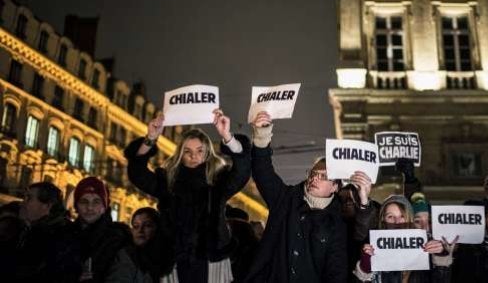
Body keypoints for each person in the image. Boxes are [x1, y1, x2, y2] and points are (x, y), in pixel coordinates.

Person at [125, 109, 251, 283]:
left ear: (207, 153)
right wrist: (150, 138)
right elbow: (137, 174)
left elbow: (242, 172)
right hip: (173, 261)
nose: (194, 156)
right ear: (180, 154)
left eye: (200, 151)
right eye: (188, 151)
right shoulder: (167, 181)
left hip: (211, 259)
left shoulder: (217, 182)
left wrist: (227, 136)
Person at [244, 111, 347, 283]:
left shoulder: (337, 223)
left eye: (323, 176)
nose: (315, 178)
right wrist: (262, 136)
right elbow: (263, 173)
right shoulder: (285, 199)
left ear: (335, 186)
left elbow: (336, 272)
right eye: (313, 173)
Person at [354, 194, 453, 283]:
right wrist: (365, 267)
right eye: (390, 216)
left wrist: (441, 258)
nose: (397, 222)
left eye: (402, 216)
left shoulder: (426, 245)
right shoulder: (373, 246)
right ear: (383, 220)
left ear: (409, 218)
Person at [69, 176, 135, 283]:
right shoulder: (64, 234)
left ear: (104, 206)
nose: (90, 207)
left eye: (96, 202)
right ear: (76, 205)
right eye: (84, 201)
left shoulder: (118, 239)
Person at [11, 182, 79, 283]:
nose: (23, 203)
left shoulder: (56, 238)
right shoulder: (33, 230)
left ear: (47, 206)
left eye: (29, 198)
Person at [125, 207, 175, 283]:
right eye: (136, 226)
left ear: (158, 228)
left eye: (147, 225)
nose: (140, 230)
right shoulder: (125, 257)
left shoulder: (169, 259)